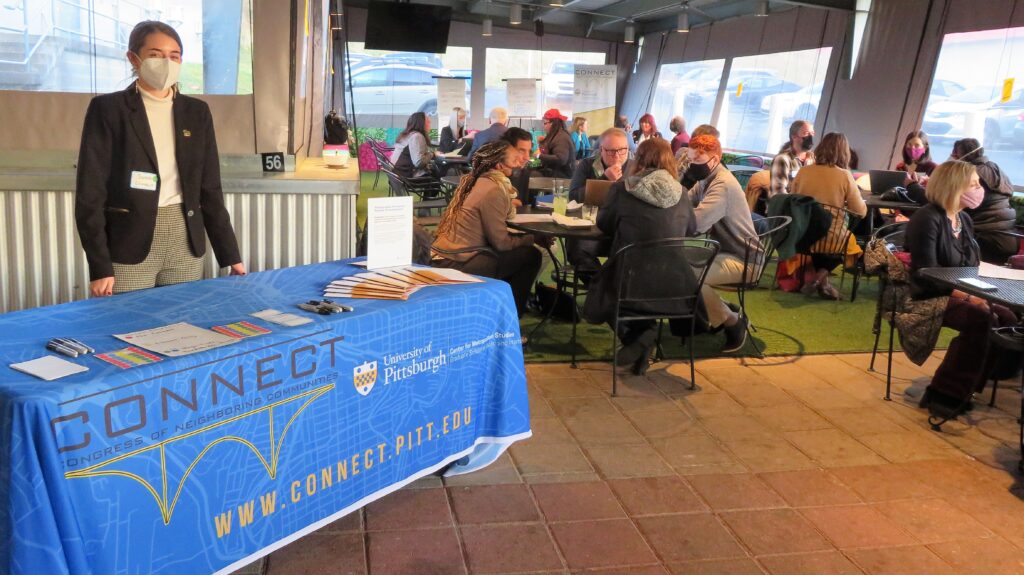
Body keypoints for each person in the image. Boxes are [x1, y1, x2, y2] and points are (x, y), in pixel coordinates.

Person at [75, 20, 244, 297]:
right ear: (133, 58)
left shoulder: (197, 112)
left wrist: (230, 254)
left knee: (181, 322)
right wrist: (100, 265)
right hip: (128, 241)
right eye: (155, 54)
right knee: (128, 324)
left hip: (185, 239)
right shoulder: (107, 110)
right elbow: (89, 193)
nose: (166, 62)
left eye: (174, 56)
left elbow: (210, 189)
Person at [906, 160, 1017, 417]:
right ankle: (945, 393)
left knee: (1009, 319)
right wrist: (970, 296)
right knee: (983, 319)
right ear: (954, 186)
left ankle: (969, 386)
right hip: (929, 294)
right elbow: (926, 273)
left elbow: (971, 265)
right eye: (974, 184)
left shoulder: (964, 219)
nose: (980, 190)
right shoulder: (928, 218)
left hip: (963, 290)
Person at [583, 138, 697, 373]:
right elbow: (692, 229)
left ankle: (642, 336)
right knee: (633, 285)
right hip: (676, 283)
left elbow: (604, 224)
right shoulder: (683, 192)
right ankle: (643, 343)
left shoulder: (623, 188)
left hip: (631, 278)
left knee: (603, 287)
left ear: (639, 161)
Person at [432, 140, 550, 317]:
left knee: (519, 254)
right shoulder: (494, 189)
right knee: (531, 255)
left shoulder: (473, 180)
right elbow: (501, 243)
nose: (519, 163)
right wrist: (532, 238)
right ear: (499, 165)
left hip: (443, 255)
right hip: (459, 262)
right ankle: (509, 321)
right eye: (515, 159)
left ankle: (495, 311)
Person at [684, 134, 759, 352]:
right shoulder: (707, 179)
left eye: (698, 162)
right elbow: (685, 202)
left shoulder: (722, 185)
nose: (693, 167)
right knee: (678, 266)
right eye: (690, 161)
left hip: (745, 259)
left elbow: (696, 223)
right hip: (725, 252)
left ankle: (733, 321)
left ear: (715, 160)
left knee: (689, 277)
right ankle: (721, 309)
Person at [790, 132, 868, 300]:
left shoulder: (804, 171)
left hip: (801, 235)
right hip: (830, 237)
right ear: (844, 152)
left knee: (827, 242)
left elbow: (792, 197)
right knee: (849, 243)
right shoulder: (844, 175)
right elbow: (860, 211)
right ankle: (819, 280)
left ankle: (823, 284)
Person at [566, 127, 633, 274]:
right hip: (591, 228)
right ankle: (600, 287)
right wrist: (604, 179)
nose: (617, 156)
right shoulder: (587, 165)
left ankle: (608, 288)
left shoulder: (635, 168)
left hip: (624, 230)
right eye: (611, 151)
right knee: (575, 248)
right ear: (601, 150)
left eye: (622, 150)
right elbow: (573, 196)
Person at [950, 138, 1018, 263]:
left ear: (962, 154)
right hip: (1008, 237)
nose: (952, 157)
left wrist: (915, 187)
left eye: (955, 154)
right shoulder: (995, 168)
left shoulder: (971, 174)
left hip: (983, 238)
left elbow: (949, 203)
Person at [770, 120, 815, 197]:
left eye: (812, 133)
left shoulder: (813, 159)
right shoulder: (782, 159)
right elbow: (778, 193)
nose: (810, 137)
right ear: (794, 136)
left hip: (802, 205)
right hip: (784, 206)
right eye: (806, 133)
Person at [390, 112, 432, 178]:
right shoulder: (417, 136)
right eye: (428, 121)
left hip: (396, 174)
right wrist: (432, 154)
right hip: (405, 176)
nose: (430, 122)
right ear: (421, 123)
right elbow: (419, 163)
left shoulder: (408, 134)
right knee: (437, 172)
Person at [536, 108, 574, 178]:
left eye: (545, 123)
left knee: (531, 173)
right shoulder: (557, 135)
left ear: (553, 123)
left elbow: (561, 159)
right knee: (530, 168)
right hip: (555, 172)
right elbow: (549, 152)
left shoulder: (561, 138)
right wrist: (542, 143)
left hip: (561, 176)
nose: (543, 126)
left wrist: (538, 156)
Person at [501, 127, 535, 206]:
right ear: (507, 150)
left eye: (529, 151)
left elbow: (521, 204)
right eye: (521, 151)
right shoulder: (490, 173)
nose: (527, 157)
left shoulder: (523, 173)